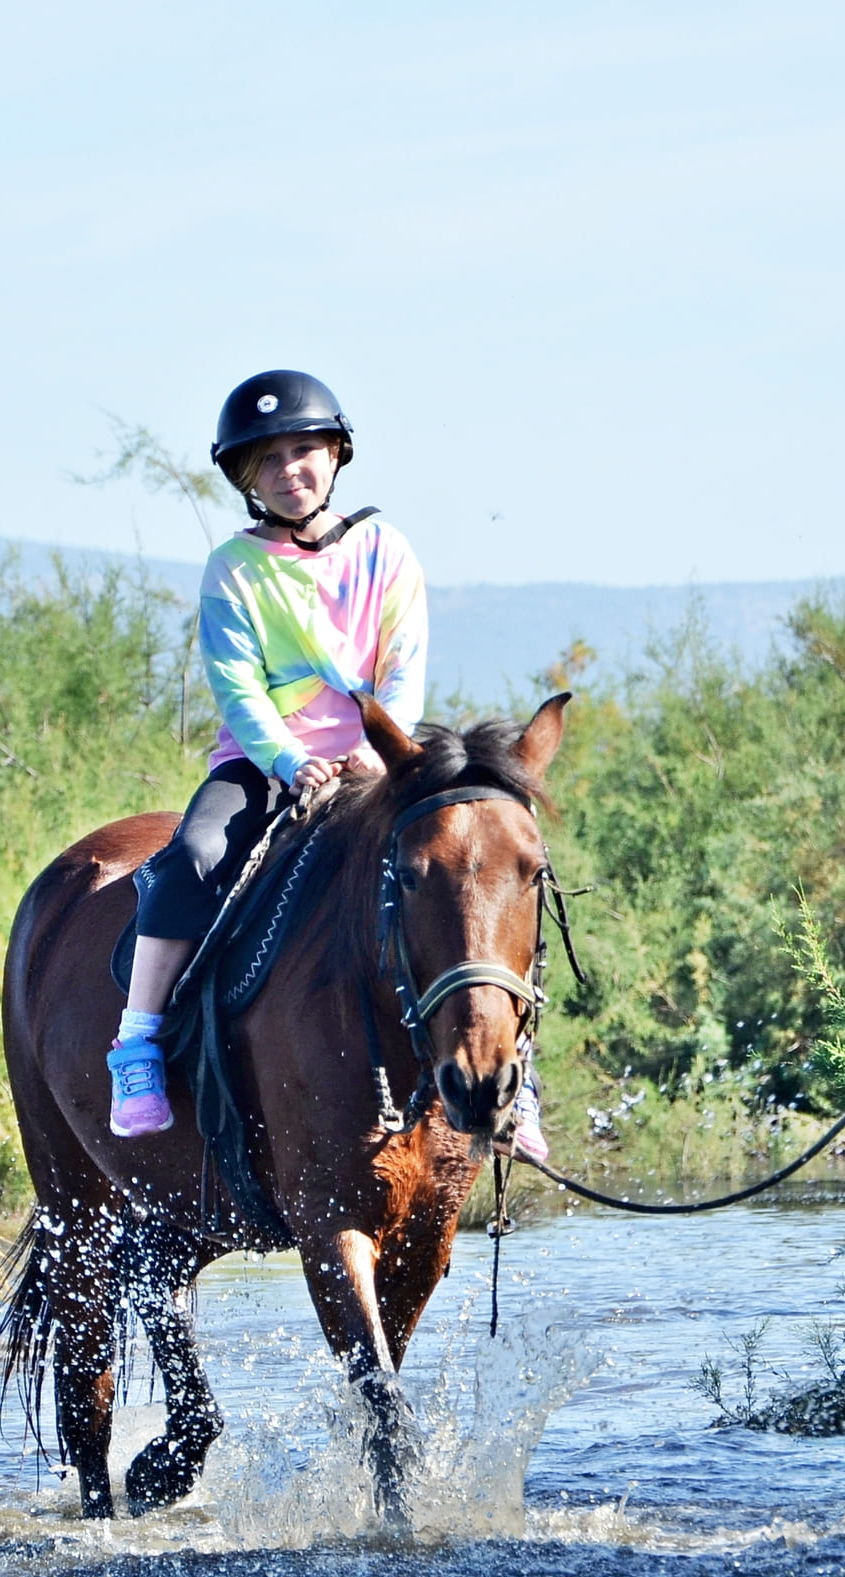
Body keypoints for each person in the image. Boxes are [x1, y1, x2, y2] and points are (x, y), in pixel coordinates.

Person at [105, 368, 546, 1161]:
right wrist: (287, 757)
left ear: (336, 453)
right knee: (195, 856)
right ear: (246, 477)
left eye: (303, 450)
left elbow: (403, 663)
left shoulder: (386, 548)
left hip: (382, 758)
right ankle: (137, 1042)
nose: (288, 470)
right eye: (266, 460)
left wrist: (381, 747)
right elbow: (236, 684)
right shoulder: (233, 569)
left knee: (474, 872)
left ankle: (519, 1076)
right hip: (262, 761)